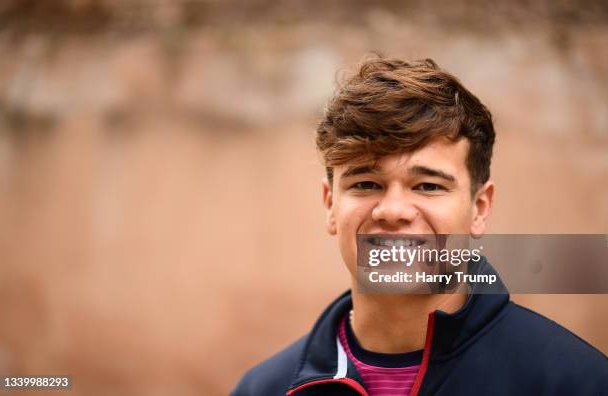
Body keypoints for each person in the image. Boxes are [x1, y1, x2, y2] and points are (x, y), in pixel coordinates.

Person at [231, 57, 608, 395]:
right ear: (331, 204)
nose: (392, 210)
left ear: (479, 208)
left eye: (428, 186)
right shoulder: (263, 388)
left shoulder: (576, 381)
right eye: (365, 184)